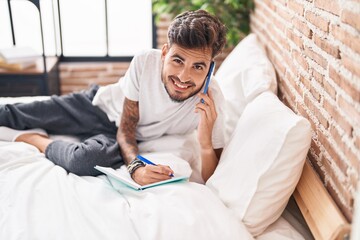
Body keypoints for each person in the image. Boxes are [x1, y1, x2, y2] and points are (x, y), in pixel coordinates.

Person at [0, 9, 227, 185]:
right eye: (178, 60)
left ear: (210, 69)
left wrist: (205, 144)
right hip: (98, 107)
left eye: (198, 66)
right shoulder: (145, 61)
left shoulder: (212, 100)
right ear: (165, 53)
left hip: (121, 138)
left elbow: (212, 178)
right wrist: (135, 167)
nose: (184, 77)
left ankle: (33, 139)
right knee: (11, 114)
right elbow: (127, 126)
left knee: (83, 161)